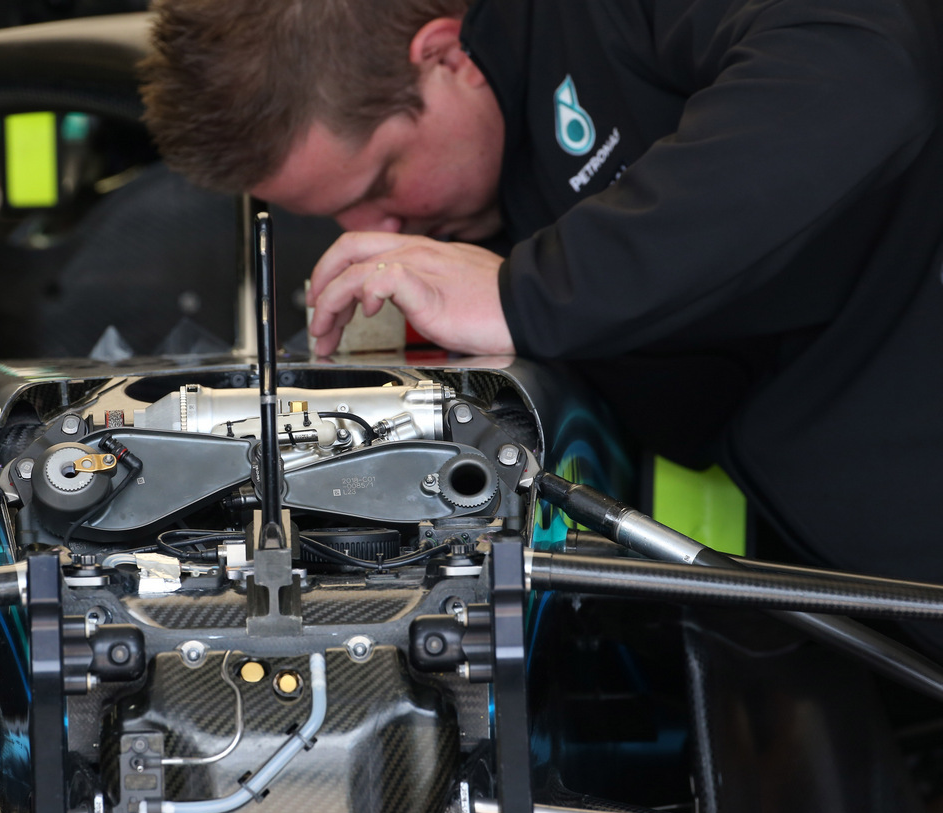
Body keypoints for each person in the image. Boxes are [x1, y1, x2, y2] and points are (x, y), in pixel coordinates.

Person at [139, 0, 943, 587]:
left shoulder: (603, 20)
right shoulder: (472, 204)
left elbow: (859, 68)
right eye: (335, 212)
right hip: (855, 586)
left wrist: (528, 293)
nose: (377, 227)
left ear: (446, 55)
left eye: (384, 179)